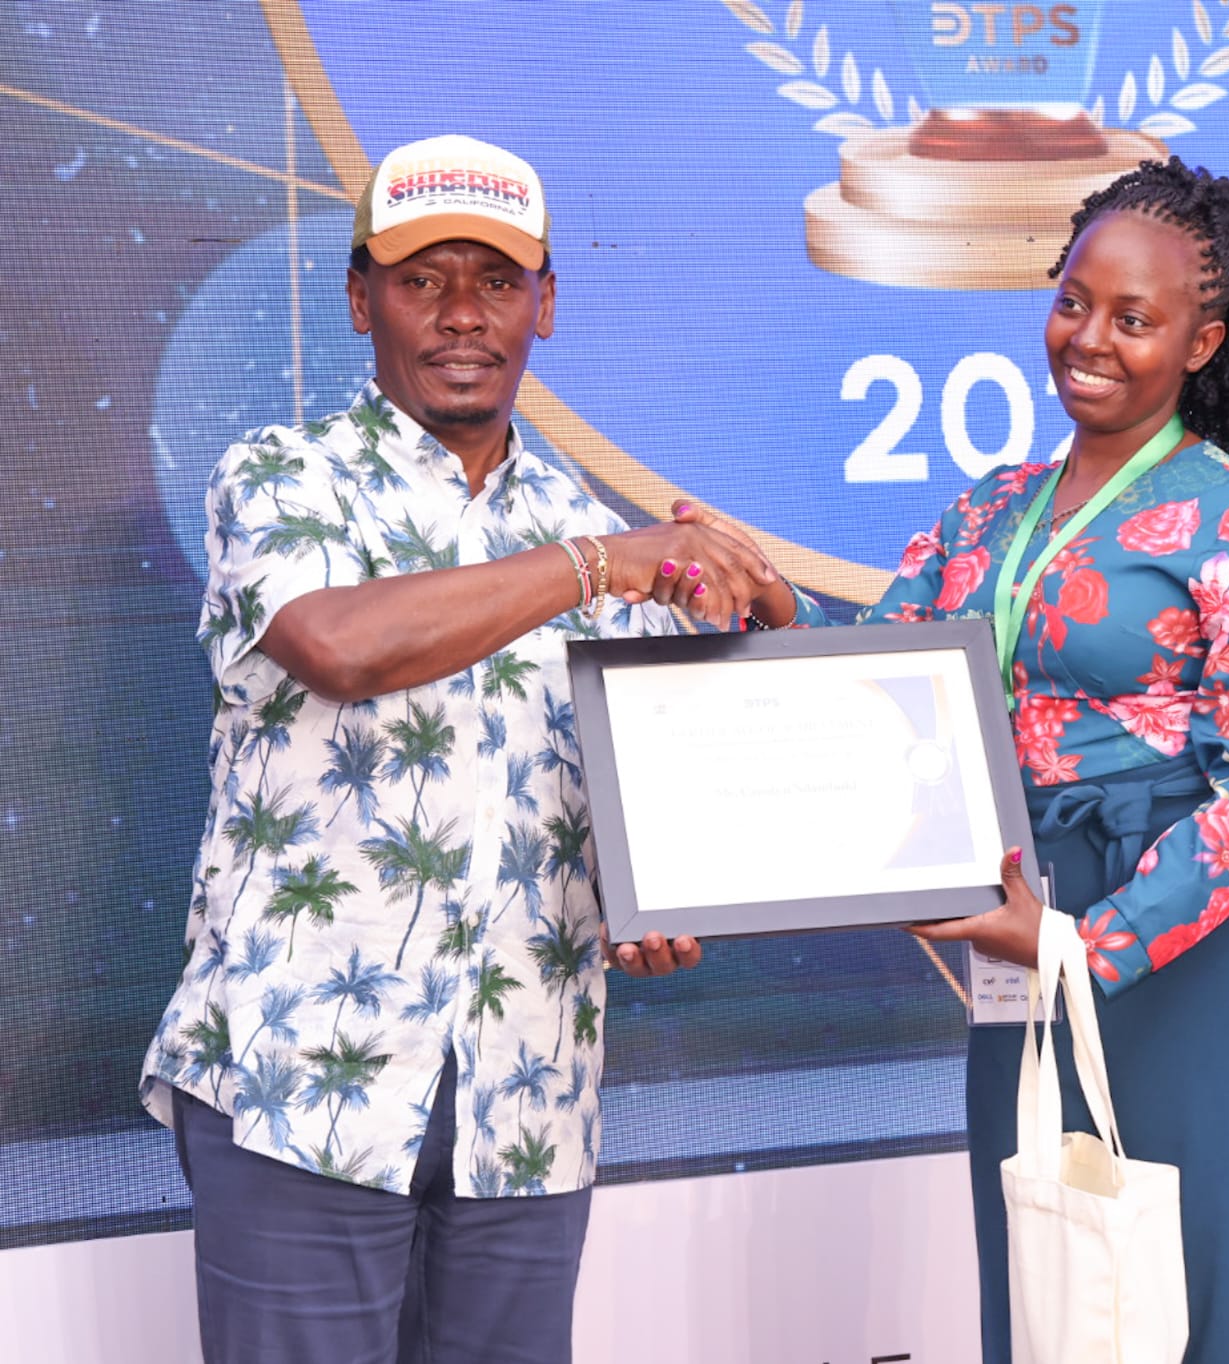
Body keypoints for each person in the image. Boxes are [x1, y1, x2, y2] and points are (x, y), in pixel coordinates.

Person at [138, 133, 778, 1364]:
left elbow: (666, 770)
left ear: (547, 303)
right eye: (421, 280)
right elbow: (340, 644)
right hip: (303, 1089)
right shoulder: (280, 477)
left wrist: (663, 893)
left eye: (496, 280)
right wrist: (597, 565)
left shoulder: (591, 527)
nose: (462, 315)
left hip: (524, 1100)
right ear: (359, 298)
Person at [714, 155, 1229, 1363]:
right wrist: (766, 598)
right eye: (1073, 302)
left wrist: (1082, 942)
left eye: (1133, 319)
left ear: (1201, 343)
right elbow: (880, 677)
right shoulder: (987, 509)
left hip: (1185, 950)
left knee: (1203, 1282)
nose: (1089, 339)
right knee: (1051, 1274)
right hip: (1021, 926)